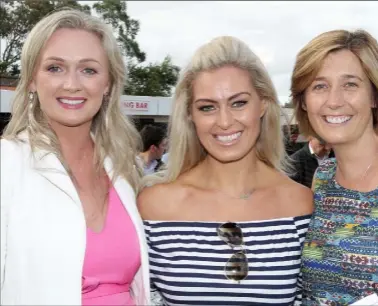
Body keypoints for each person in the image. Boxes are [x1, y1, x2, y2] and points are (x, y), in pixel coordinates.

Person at [138, 36, 313, 306]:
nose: (224, 121)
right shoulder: (155, 205)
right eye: (207, 107)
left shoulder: (300, 204)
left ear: (263, 104)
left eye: (239, 103)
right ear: (190, 115)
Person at [0, 9, 151, 305]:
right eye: (55, 68)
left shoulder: (125, 169)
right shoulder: (6, 164)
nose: (72, 84)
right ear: (31, 79)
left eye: (89, 70)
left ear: (107, 84)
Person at [290, 29, 378, 305]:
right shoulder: (323, 176)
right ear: (303, 102)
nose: (334, 101)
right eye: (319, 86)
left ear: (374, 95)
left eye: (350, 84)